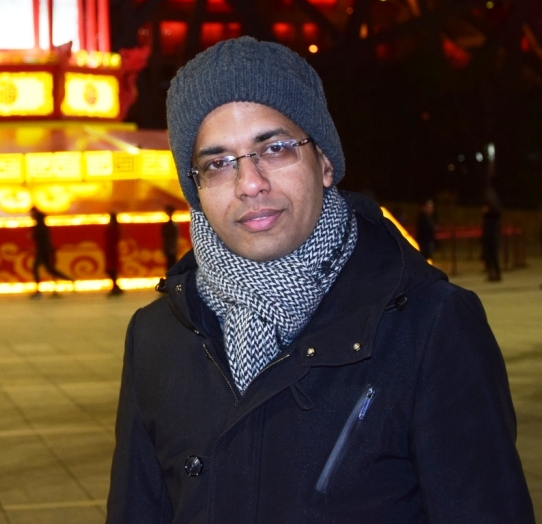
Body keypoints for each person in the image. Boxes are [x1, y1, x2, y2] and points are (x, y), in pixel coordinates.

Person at [106, 37, 534, 523]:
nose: (250, 183)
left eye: (275, 148)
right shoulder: (157, 336)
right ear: (196, 190)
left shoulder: (431, 325)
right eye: (218, 163)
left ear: (326, 162)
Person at [29, 206, 72, 298]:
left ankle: (39, 292)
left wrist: (33, 235)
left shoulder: (39, 225)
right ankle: (69, 281)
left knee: (39, 269)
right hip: (46, 250)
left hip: (43, 251)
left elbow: (40, 237)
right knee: (50, 270)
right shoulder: (41, 223)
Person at [105, 211, 124, 296]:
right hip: (111, 250)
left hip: (111, 250)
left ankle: (115, 286)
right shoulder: (116, 228)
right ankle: (115, 286)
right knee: (112, 269)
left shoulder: (113, 228)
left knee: (112, 269)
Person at [161, 204, 179, 270]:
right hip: (169, 247)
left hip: (172, 248)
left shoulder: (172, 226)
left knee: (171, 263)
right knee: (170, 263)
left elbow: (175, 237)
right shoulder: (168, 225)